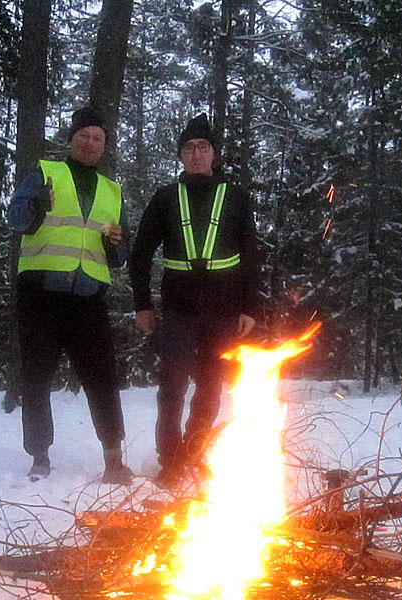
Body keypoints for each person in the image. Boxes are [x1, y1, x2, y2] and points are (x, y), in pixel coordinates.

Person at [129, 113, 261, 487]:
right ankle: (170, 459)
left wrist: (251, 308)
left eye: (203, 147)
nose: (197, 154)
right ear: (180, 156)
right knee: (171, 384)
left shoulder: (234, 196)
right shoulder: (166, 197)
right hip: (179, 308)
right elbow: (140, 253)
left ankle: (194, 450)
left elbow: (251, 254)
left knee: (211, 385)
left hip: (223, 309)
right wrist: (143, 303)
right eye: (189, 148)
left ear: (214, 153)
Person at [8, 106, 133, 485]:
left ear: (105, 145)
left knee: (103, 378)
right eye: (84, 136)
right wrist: (35, 207)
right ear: (71, 139)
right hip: (41, 293)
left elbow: (120, 255)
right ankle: (40, 455)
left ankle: (114, 459)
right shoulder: (46, 173)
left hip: (88, 299)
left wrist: (116, 246)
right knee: (36, 377)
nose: (91, 142)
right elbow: (15, 218)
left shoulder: (113, 190)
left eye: (98, 138)